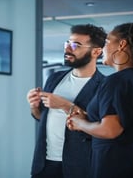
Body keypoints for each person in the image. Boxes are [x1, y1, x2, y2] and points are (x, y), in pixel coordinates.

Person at [67, 18, 133, 178]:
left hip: (116, 164)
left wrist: (80, 123)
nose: (103, 48)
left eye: (107, 41)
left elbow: (110, 130)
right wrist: (88, 119)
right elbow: (125, 122)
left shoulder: (117, 81)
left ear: (121, 45)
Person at [27, 24, 107, 178]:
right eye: (67, 43)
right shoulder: (54, 78)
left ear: (96, 51)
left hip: (81, 167)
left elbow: (102, 129)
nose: (68, 49)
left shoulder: (105, 86)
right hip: (44, 164)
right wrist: (34, 107)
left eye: (75, 45)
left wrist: (65, 105)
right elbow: (42, 117)